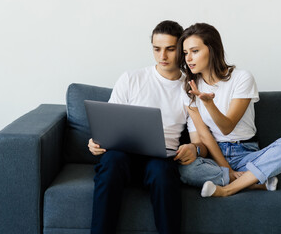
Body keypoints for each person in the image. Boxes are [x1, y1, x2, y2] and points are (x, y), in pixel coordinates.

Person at [87, 20, 207, 234]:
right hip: (122, 157)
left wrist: (194, 149)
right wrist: (96, 142)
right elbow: (108, 122)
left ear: (181, 49)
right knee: (112, 161)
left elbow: (199, 141)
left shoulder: (189, 89)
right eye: (156, 49)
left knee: (161, 172)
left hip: (161, 160)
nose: (163, 56)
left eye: (170, 49)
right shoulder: (131, 79)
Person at [176, 23, 281, 197]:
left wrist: (209, 104)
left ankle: (227, 189)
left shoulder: (242, 78)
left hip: (247, 155)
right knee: (185, 170)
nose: (188, 58)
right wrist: (225, 168)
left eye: (195, 51)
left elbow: (227, 127)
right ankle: (255, 182)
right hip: (214, 157)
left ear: (212, 50)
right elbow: (204, 139)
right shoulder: (189, 89)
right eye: (185, 53)